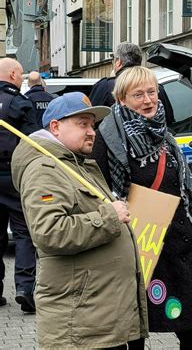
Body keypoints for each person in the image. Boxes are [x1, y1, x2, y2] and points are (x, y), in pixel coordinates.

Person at [11, 92, 148, 349]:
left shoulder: (78, 164)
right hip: (81, 322)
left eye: (92, 125)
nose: (91, 132)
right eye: (82, 123)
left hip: (100, 315)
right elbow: (50, 232)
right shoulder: (45, 169)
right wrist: (109, 216)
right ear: (55, 127)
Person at [92, 66, 192, 349]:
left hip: (175, 250)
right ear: (122, 99)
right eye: (138, 94)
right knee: (133, 336)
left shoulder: (165, 136)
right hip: (136, 252)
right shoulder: (108, 138)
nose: (148, 100)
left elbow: (183, 186)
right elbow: (99, 192)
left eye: (152, 92)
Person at [0, 58, 38, 312]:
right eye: (21, 76)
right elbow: (35, 141)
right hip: (12, 176)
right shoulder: (20, 102)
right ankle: (24, 288)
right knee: (23, 233)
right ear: (13, 75)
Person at [89, 42, 142, 107]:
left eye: (113, 60)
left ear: (118, 61)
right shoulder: (151, 83)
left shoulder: (106, 86)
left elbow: (92, 113)